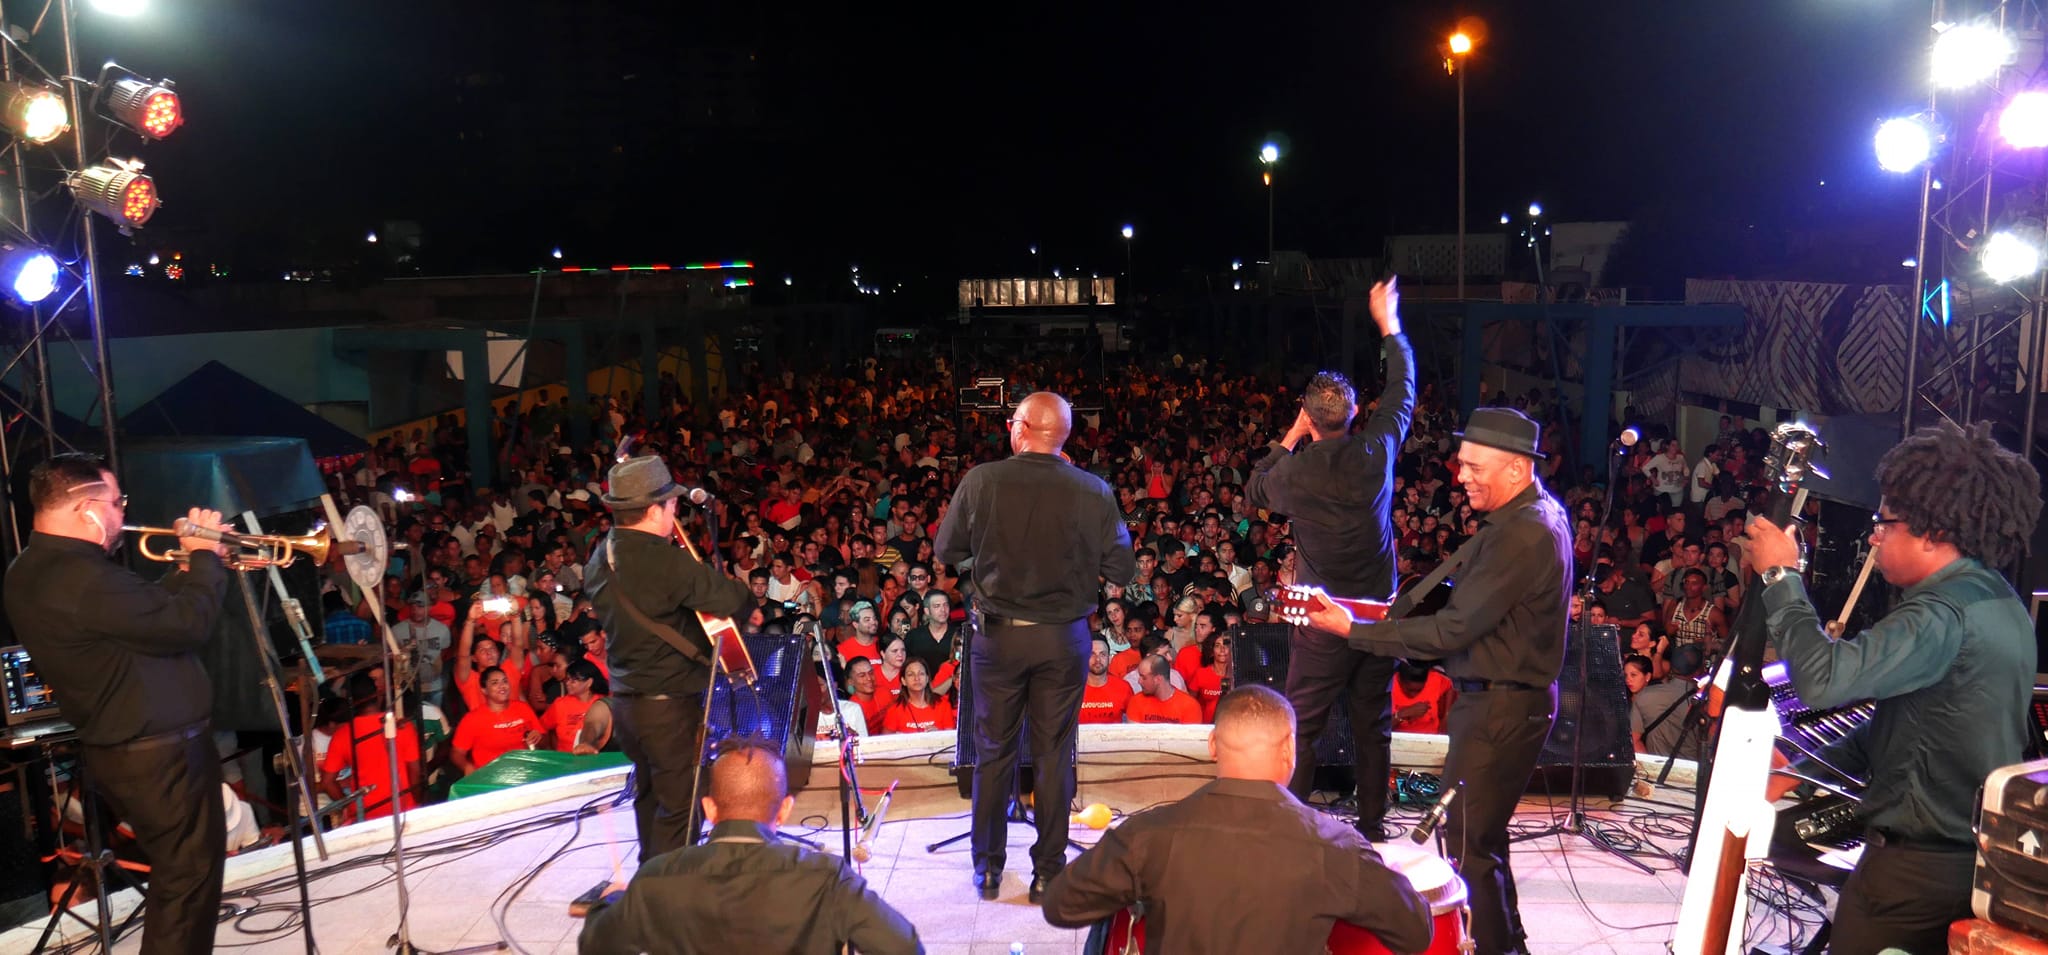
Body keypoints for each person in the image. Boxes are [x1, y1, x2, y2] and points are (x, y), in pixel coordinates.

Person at [1753, 421, 2041, 955]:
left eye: (1885, 522)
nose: (1874, 535)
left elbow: (1820, 680)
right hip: (1961, 858)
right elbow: (1904, 726)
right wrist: (1798, 772)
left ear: (1931, 531)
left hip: (1913, 871)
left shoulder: (1940, 615)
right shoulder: (1995, 599)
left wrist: (1780, 577)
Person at [1304, 406, 1570, 955]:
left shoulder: (1522, 535)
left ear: (1517, 470)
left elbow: (1452, 629)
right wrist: (1379, 616)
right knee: (1483, 843)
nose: (1461, 475)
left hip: (1501, 710)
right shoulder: (1529, 517)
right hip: (1503, 704)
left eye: (1474, 466)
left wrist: (1352, 631)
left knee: (1471, 852)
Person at [4, 452, 231, 955]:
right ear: (86, 508)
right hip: (159, 757)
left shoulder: (37, 569)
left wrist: (194, 566)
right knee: (187, 885)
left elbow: (143, 618)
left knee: (183, 880)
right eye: (115, 502)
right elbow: (187, 625)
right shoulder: (80, 577)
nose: (121, 514)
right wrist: (205, 559)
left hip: (131, 752)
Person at [1040, 686, 1432, 954]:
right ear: (1290, 748)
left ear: (1212, 745)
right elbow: (1416, 932)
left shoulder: (1149, 833)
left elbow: (1060, 905)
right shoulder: (1337, 845)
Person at [935, 390, 1136, 903]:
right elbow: (1121, 569)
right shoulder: (1092, 489)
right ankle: (1048, 872)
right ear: (1064, 435)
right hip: (1063, 639)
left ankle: (987, 871)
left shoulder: (982, 480)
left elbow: (947, 550)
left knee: (993, 753)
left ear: (1020, 427)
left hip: (998, 637)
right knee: (1052, 755)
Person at [1242, 277, 1411, 840]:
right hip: (1377, 620)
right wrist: (1389, 326)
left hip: (1320, 619)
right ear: (1356, 411)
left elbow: (1253, 488)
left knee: (1305, 725)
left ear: (1309, 416)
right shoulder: (1377, 451)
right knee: (1373, 726)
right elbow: (1403, 391)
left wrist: (1290, 437)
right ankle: (1372, 826)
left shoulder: (1293, 471)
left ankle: (1292, 828)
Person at [578, 737, 922, 955]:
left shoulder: (656, 878)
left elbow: (595, 946)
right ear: (784, 810)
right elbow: (904, 947)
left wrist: (612, 900)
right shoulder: (826, 878)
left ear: (710, 809)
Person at [583, 455, 754, 861]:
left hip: (626, 702)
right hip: (669, 708)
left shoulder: (600, 557)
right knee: (681, 810)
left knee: (649, 799)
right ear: (654, 509)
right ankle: (668, 903)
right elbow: (731, 599)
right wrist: (738, 590)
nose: (676, 509)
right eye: (672, 503)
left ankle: (650, 879)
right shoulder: (665, 560)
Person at [321, 672, 424, 821]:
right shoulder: (402, 726)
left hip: (365, 815)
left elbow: (327, 782)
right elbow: (415, 772)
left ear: (349, 701)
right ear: (377, 694)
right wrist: (419, 801)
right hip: (404, 810)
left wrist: (349, 806)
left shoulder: (342, 735)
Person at [451, 666, 544, 773]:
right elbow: (456, 753)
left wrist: (538, 737)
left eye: (504, 681)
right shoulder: (472, 719)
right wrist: (467, 767)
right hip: (490, 778)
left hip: (524, 772)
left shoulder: (523, 708)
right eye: (495, 683)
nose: (502, 686)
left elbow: (543, 740)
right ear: (484, 690)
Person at [879, 659, 956, 734]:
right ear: (903, 681)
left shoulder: (943, 705)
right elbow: (886, 742)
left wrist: (938, 735)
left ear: (927, 678)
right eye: (911, 674)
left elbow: (951, 740)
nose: (917, 678)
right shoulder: (894, 709)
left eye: (921, 674)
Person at [1125, 654, 1203, 725]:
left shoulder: (1190, 706)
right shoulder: (1136, 701)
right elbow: (1134, 737)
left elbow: (1190, 738)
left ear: (1158, 679)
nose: (1139, 681)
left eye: (1144, 678)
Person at [1078, 637, 1134, 724]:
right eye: (1092, 654)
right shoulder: (1073, 689)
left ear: (1109, 658)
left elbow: (1133, 725)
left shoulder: (1124, 687)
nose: (1097, 659)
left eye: (1102, 654)